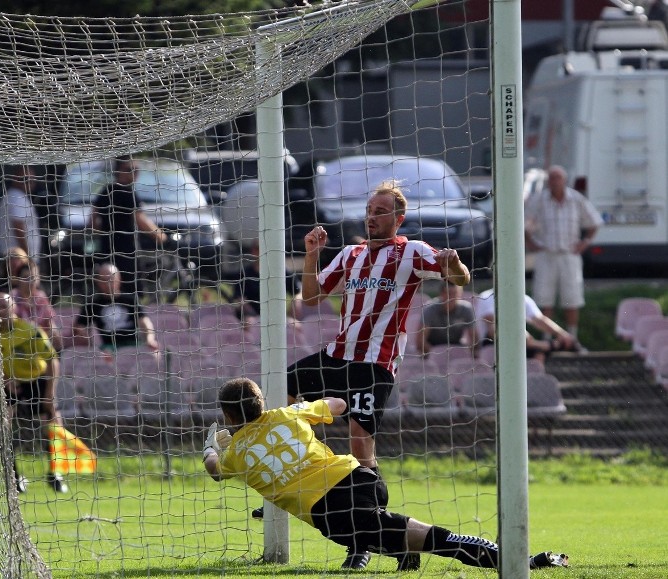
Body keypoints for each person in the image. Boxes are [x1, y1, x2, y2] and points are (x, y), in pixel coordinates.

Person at [278, 182, 470, 567]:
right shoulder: (351, 254)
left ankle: (367, 540)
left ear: (398, 219)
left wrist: (454, 265)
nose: (372, 217)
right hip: (338, 354)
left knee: (360, 445)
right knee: (281, 391)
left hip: (375, 363)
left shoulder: (411, 251)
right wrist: (311, 255)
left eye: (381, 211)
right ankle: (305, 473)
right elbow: (312, 298)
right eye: (369, 210)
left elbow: (461, 279)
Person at [203, 377, 569, 571]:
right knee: (392, 532)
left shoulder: (235, 453)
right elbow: (339, 405)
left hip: (337, 516)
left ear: (230, 417)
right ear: (262, 403)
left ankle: (523, 563)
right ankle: (402, 553)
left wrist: (209, 447)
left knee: (437, 541)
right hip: (363, 479)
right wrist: (301, 408)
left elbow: (217, 472)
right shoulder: (288, 414)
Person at [0, 292, 68, 494]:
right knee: (3, 423)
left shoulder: (30, 331)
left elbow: (52, 360)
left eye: (5, 307)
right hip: (9, 382)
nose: (1, 312)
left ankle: (56, 473)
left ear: (13, 308)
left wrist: (50, 395)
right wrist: (4, 380)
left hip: (35, 380)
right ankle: (14, 476)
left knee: (53, 419)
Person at [525, 165, 603, 340]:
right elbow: (524, 224)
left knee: (572, 298)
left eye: (557, 178)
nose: (554, 182)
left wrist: (586, 242)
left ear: (564, 180)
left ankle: (572, 339)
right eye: (551, 179)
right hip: (546, 254)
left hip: (569, 255)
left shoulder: (576, 199)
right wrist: (530, 243)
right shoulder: (539, 200)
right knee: (545, 300)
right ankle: (547, 340)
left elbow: (595, 221)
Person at [91, 157, 168, 296]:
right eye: (130, 169)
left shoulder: (105, 191)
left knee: (110, 292)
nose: (134, 173)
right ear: (118, 171)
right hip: (127, 252)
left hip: (107, 250)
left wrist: (105, 232)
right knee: (130, 294)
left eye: (137, 170)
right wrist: (161, 236)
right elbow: (141, 221)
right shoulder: (128, 193)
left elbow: (92, 221)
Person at [72, 262, 160, 352]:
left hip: (133, 344)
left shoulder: (130, 300)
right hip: (108, 347)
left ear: (119, 278)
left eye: (111, 279)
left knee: (153, 354)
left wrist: (150, 339)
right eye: (104, 279)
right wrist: (92, 345)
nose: (108, 283)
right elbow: (79, 327)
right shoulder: (93, 304)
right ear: (98, 281)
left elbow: (144, 321)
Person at [474, 289, 581, 362]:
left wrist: (562, 335)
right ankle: (549, 345)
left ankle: (534, 385)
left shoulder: (522, 297)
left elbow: (539, 319)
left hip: (522, 344)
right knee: (504, 331)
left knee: (538, 353)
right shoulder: (487, 296)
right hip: (492, 344)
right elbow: (493, 329)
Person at [11, 258, 63, 353]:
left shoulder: (41, 296)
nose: (30, 281)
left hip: (40, 339)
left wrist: (54, 334)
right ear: (18, 279)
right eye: (26, 277)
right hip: (19, 341)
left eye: (33, 277)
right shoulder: (12, 297)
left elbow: (50, 322)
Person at [415, 279, 478, 356]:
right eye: (448, 293)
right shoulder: (430, 309)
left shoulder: (466, 309)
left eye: (455, 293)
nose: (452, 297)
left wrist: (469, 353)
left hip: (456, 346)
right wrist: (437, 355)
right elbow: (420, 340)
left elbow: (474, 337)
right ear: (441, 294)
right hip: (433, 347)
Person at [0, 166, 41, 261]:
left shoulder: (12, 195)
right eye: (25, 179)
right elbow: (18, 227)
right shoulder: (17, 197)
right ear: (15, 178)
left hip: (14, 255)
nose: (29, 183)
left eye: (32, 180)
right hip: (18, 258)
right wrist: (27, 256)